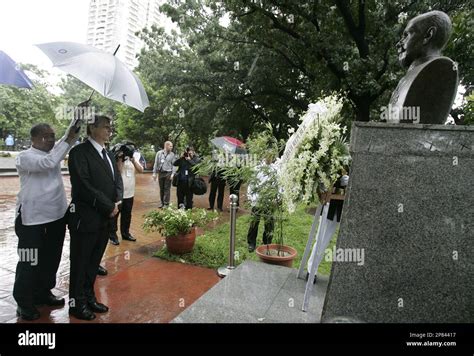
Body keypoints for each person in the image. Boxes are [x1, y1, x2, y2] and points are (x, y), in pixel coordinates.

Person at [13, 122, 80, 321]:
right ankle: (24, 302)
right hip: (31, 220)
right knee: (29, 261)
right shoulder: (25, 157)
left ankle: (43, 292)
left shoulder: (53, 151)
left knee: (51, 258)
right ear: (33, 138)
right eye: (45, 136)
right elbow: (49, 162)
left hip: (56, 217)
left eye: (52, 136)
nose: (50, 140)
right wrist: (67, 140)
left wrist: (75, 120)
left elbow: (65, 140)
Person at [67, 114, 123, 321]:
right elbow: (83, 185)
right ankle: (76, 303)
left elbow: (116, 179)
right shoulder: (79, 153)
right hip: (86, 218)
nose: (110, 130)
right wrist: (107, 206)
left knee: (93, 264)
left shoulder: (107, 154)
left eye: (110, 127)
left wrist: (117, 201)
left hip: (104, 220)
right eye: (106, 127)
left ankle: (89, 297)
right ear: (92, 129)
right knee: (80, 263)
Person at [306, 170, 349, 284]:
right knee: (322, 239)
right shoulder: (338, 155)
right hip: (333, 204)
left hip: (352, 205)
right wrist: (340, 180)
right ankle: (311, 271)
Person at [109, 143, 144, 245]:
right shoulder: (117, 160)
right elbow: (118, 171)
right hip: (119, 194)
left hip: (130, 193)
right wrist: (121, 158)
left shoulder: (132, 160)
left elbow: (141, 170)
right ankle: (112, 235)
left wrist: (133, 159)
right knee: (115, 215)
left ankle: (125, 233)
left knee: (127, 215)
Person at [246, 155, 278, 252]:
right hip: (257, 200)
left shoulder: (276, 169)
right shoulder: (257, 168)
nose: (269, 157)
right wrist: (251, 198)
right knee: (254, 223)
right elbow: (251, 184)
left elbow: (278, 185)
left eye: (271, 155)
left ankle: (267, 243)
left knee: (269, 224)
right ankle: (251, 243)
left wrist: (277, 198)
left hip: (269, 201)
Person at [152, 141, 176, 208]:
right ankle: (162, 203)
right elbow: (156, 163)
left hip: (168, 172)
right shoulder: (159, 153)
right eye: (170, 146)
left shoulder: (172, 154)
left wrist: (173, 174)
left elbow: (174, 165)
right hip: (161, 173)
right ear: (166, 146)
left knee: (167, 188)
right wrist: (154, 173)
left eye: (172, 146)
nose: (171, 147)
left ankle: (166, 204)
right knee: (161, 189)